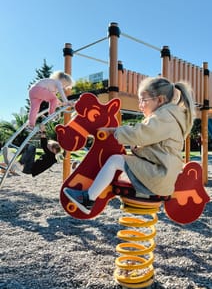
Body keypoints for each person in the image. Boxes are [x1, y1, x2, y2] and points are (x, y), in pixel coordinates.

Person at [64, 76, 195, 214]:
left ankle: (88, 199)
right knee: (123, 162)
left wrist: (114, 131)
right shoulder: (169, 116)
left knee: (115, 161)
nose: (140, 105)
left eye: (143, 100)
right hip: (160, 173)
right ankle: (92, 177)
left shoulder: (164, 117)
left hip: (157, 175)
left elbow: (140, 135)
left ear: (160, 100)